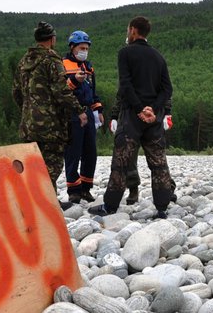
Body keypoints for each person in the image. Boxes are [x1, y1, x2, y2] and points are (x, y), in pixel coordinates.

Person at [90, 16, 173, 218]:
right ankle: (162, 208)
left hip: (131, 117)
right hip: (153, 119)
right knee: (158, 162)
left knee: (121, 161)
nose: (127, 32)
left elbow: (125, 85)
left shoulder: (125, 53)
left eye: (128, 29)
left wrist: (138, 109)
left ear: (134, 30)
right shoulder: (158, 56)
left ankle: (110, 206)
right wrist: (152, 110)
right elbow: (167, 89)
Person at [13, 21, 87, 200]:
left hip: (28, 126)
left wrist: (28, 110)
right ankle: (47, 209)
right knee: (50, 169)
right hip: (50, 127)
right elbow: (61, 91)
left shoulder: (23, 62)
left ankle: (34, 205)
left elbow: (16, 92)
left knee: (32, 168)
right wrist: (79, 111)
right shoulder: (52, 60)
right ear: (52, 39)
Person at [109, 92, 176, 205]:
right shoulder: (128, 74)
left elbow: (165, 90)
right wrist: (114, 116)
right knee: (128, 155)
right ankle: (133, 188)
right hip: (130, 115)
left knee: (157, 156)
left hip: (154, 115)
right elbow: (122, 92)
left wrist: (167, 113)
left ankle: (167, 188)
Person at [62, 30, 104, 204]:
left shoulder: (88, 66)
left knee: (90, 152)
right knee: (73, 152)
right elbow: (61, 90)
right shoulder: (63, 64)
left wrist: (98, 110)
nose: (84, 51)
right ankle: (74, 190)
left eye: (86, 48)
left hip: (88, 112)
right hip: (72, 113)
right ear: (72, 47)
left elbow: (92, 91)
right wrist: (74, 81)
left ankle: (86, 188)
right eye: (81, 47)